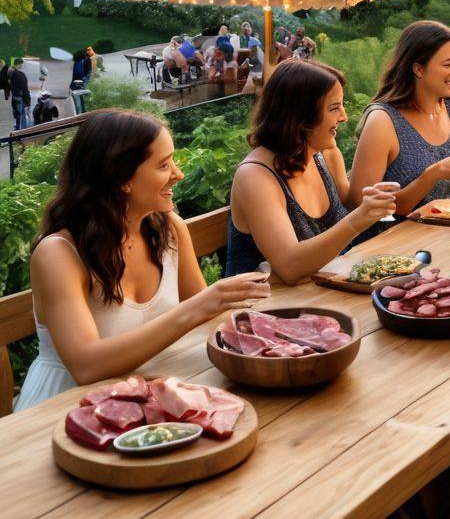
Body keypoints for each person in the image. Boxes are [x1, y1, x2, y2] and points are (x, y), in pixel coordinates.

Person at [16, 109, 269, 412]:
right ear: (122, 177)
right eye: (164, 164)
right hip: (64, 410)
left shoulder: (169, 229)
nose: (178, 173)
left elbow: (208, 321)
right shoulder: (58, 254)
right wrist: (200, 305)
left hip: (147, 398)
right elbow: (86, 366)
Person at [226, 60, 398, 282]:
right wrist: (358, 219)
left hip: (326, 291)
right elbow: (289, 266)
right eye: (334, 108)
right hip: (266, 309)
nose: (344, 117)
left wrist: (370, 201)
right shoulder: (255, 176)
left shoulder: (323, 153)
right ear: (300, 117)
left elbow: (349, 205)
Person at [348, 22, 450, 216]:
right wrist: (432, 175)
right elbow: (360, 207)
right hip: (393, 240)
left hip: (448, 232)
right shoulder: (383, 121)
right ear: (418, 69)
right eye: (448, 64)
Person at [9, 58, 31, 130]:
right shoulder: (20, 75)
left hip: (14, 97)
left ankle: (18, 129)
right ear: (18, 64)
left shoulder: (11, 72)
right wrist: (28, 100)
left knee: (17, 116)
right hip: (20, 98)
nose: (22, 65)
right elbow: (24, 89)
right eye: (21, 64)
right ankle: (22, 132)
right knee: (22, 116)